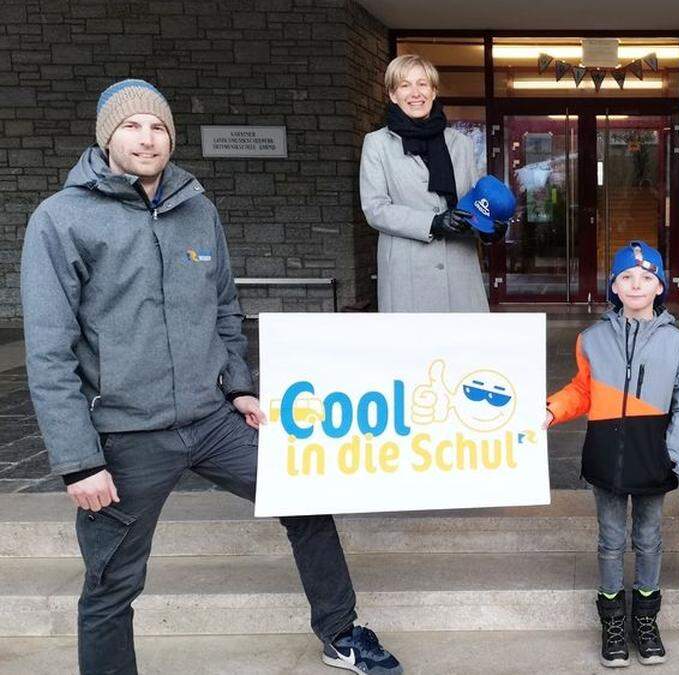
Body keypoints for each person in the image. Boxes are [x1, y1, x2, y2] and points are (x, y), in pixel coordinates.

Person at [20, 79, 402, 675]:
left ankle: (341, 633)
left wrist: (240, 386)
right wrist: (78, 460)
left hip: (211, 419)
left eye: (158, 127)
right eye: (132, 126)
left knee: (306, 496)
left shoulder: (196, 208)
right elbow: (48, 351)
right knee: (110, 586)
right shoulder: (61, 220)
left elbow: (223, 309)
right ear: (106, 136)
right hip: (126, 436)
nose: (147, 139)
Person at [544, 241, 679, 668]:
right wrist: (551, 410)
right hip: (606, 455)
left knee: (648, 539)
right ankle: (612, 623)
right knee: (611, 540)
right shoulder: (591, 338)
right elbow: (582, 390)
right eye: (626, 277)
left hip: (654, 456)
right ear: (613, 286)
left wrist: (674, 457)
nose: (636, 284)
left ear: (660, 286)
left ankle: (645, 622)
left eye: (646, 278)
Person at [360, 54, 498, 312]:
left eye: (423, 84)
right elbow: (375, 209)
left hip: (459, 270)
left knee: (463, 349)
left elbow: (472, 202)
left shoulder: (461, 143)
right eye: (405, 85)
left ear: (433, 91)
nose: (415, 93)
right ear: (393, 94)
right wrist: (432, 222)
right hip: (407, 273)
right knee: (412, 350)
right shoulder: (377, 143)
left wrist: (490, 228)